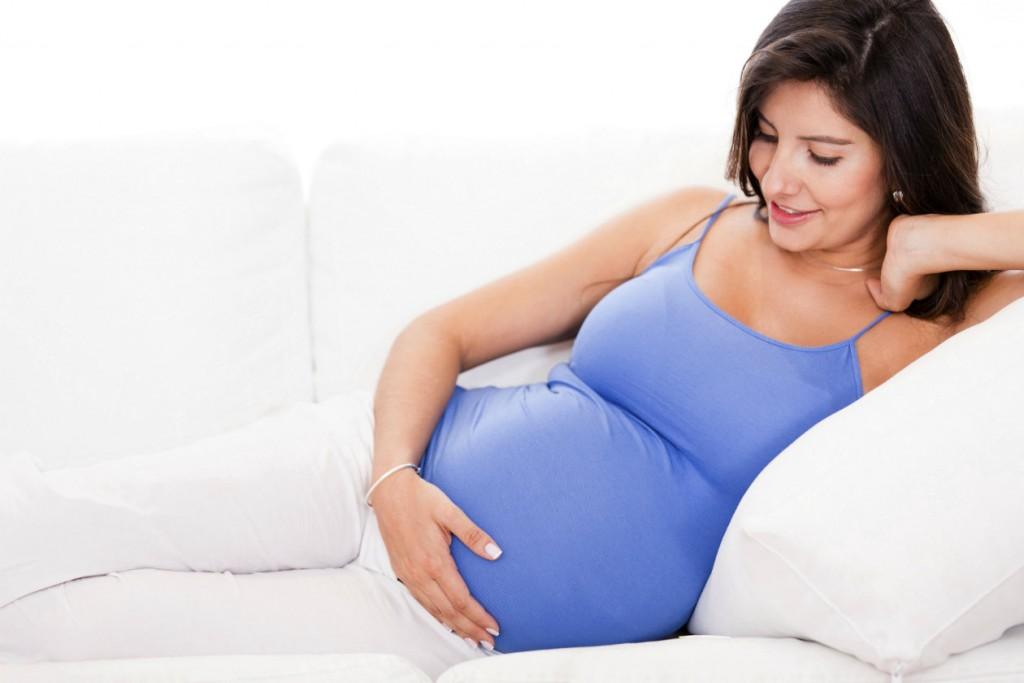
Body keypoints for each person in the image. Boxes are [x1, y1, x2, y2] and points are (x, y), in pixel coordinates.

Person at [4, 0, 1023, 679]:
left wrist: (940, 233)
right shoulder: (689, 218)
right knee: (57, 519)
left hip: (433, 616)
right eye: (765, 133)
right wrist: (394, 481)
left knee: (55, 634)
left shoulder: (927, 329)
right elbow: (442, 330)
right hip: (369, 462)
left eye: (824, 152)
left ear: (902, 156)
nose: (779, 177)